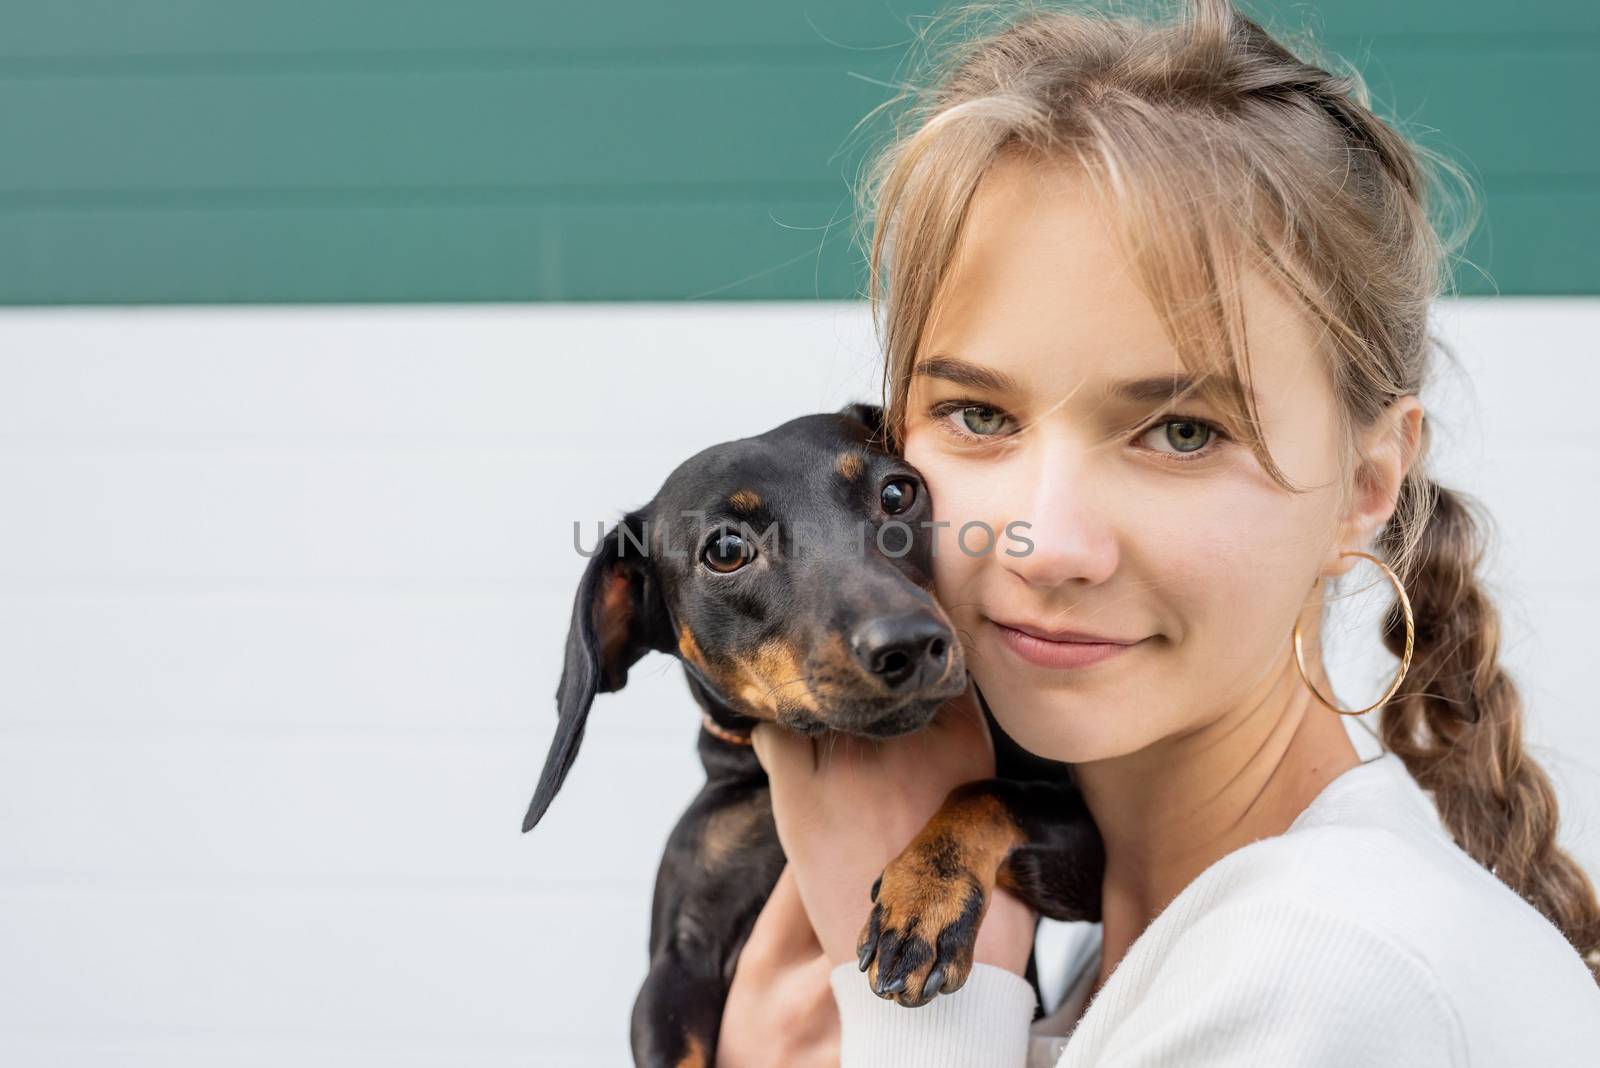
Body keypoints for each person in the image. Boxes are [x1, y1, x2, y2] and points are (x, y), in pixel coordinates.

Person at [714, 1, 1600, 1065]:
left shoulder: (1328, 972)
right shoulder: (1124, 951)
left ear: (1365, 486)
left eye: (1182, 432)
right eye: (978, 415)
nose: (1047, 543)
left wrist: (914, 1018)